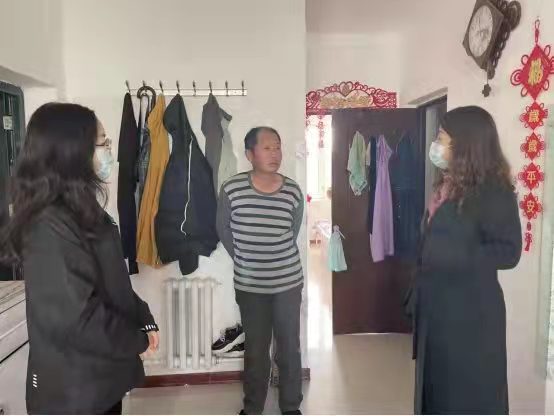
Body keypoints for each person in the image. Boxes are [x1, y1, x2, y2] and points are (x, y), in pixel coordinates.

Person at [0, 103, 159, 415]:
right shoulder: (47, 225)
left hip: (99, 380)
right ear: (72, 152)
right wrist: (136, 340)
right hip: (74, 393)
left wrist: (143, 315)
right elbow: (78, 319)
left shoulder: (80, 207)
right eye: (102, 143)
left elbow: (110, 279)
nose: (109, 151)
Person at [411, 106, 522, 414]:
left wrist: (455, 254)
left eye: (441, 137)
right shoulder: (446, 187)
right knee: (436, 392)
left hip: (471, 317)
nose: (436, 145)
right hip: (437, 309)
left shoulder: (495, 193)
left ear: (465, 143)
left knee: (467, 397)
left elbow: (509, 251)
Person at [217, 127, 304, 415]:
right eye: (267, 148)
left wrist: (272, 259)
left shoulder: (292, 191)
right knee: (255, 350)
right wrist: (245, 259)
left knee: (288, 348)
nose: (274, 153)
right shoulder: (232, 189)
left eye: (277, 147)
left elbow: (292, 232)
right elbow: (223, 229)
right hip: (250, 286)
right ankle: (253, 407)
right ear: (249, 154)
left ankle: (290, 406)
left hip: (287, 283)